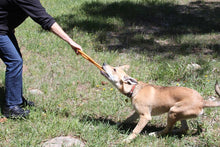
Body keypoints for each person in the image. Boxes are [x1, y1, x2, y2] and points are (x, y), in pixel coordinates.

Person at [0, 0, 82, 118]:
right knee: (15, 62)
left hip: (5, 29)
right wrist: (70, 41)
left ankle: (15, 98)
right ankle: (11, 107)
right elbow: (45, 20)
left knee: (16, 61)